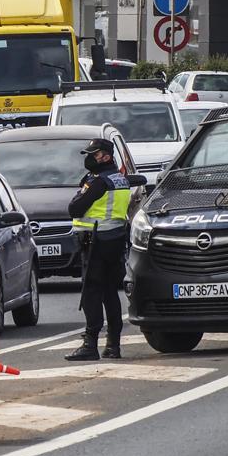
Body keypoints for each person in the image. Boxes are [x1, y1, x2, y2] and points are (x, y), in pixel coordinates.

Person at [65, 138, 132, 361]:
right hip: (115, 240)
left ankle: (90, 344)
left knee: (92, 293)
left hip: (95, 242)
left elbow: (74, 208)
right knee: (110, 293)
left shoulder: (99, 182)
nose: (89, 158)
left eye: (93, 154)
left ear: (105, 156)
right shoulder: (119, 179)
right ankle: (113, 345)